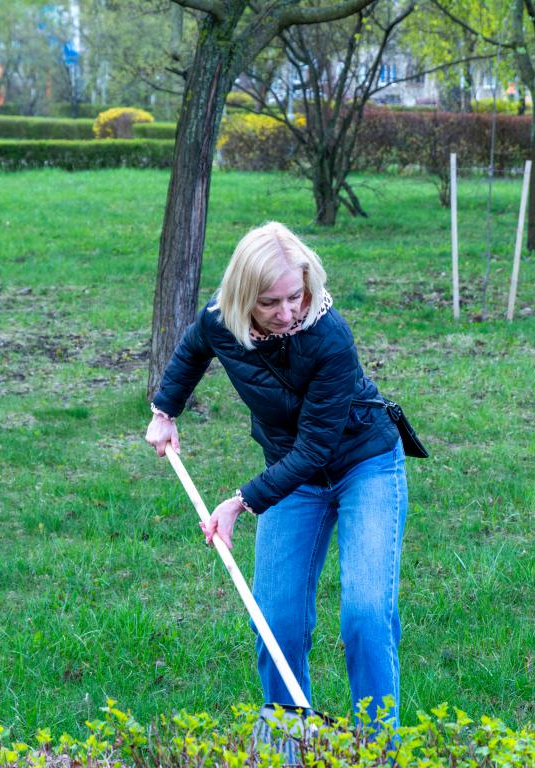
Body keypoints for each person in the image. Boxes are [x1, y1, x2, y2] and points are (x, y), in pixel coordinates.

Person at [146, 222, 409, 728]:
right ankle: (292, 741)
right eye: (269, 302)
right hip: (294, 476)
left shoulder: (330, 337)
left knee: (366, 613)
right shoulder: (222, 319)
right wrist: (165, 411)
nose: (287, 313)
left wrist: (239, 502)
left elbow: (314, 448)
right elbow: (195, 346)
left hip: (364, 464)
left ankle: (377, 749)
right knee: (276, 620)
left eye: (295, 297)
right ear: (244, 297)